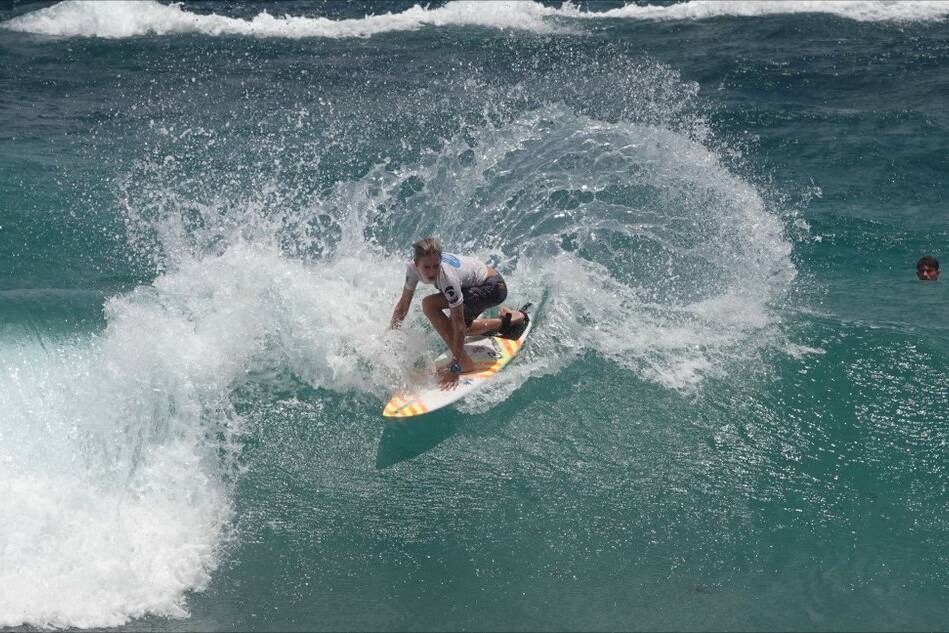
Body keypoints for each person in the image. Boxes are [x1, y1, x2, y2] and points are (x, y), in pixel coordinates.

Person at [390, 237, 528, 387]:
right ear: (416, 264)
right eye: (427, 267)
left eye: (436, 266)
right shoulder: (412, 269)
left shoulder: (447, 278)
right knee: (457, 331)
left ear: (440, 261)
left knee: (430, 306)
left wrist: (455, 367)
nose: (432, 272)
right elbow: (403, 305)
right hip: (474, 287)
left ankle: (465, 363)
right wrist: (391, 335)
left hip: (493, 288)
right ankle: (509, 320)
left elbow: (458, 324)